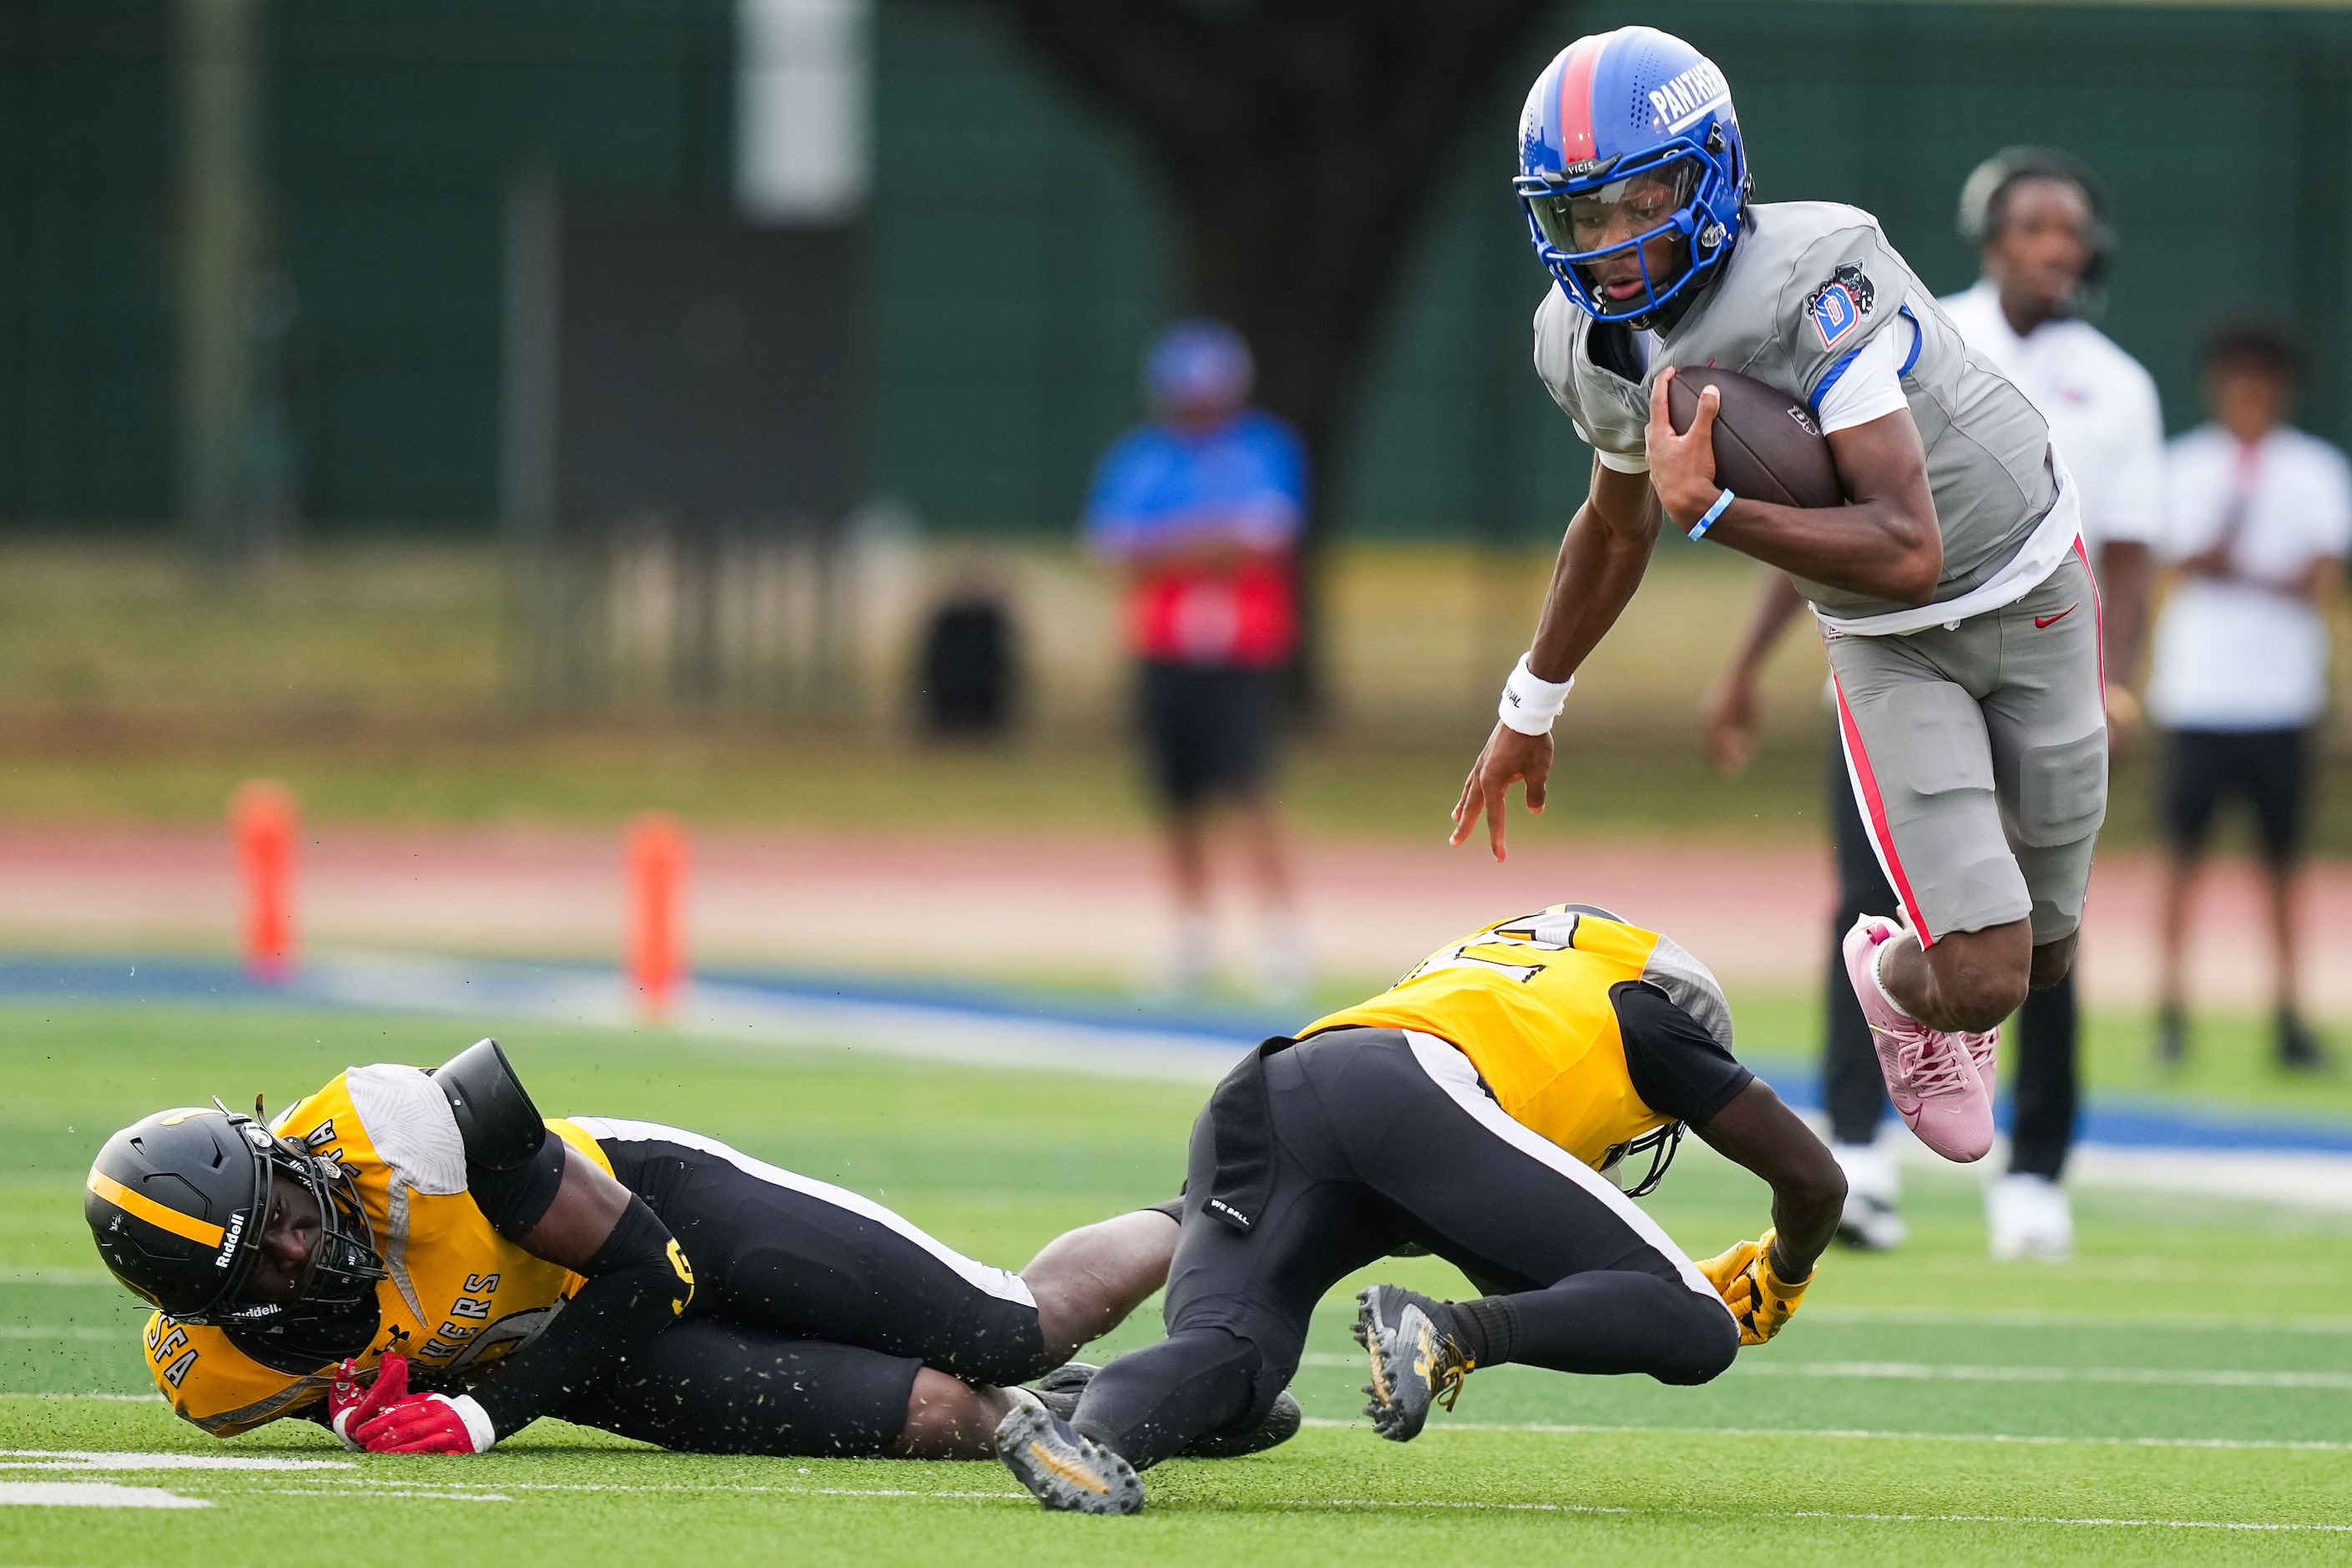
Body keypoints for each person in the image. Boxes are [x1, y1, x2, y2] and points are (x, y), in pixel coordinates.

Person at [1452, 26, 2108, 1169]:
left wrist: (1713, 513)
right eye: (1576, 216)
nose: (1604, 246)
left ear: (1705, 176)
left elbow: (1908, 539)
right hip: (1886, 639)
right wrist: (1529, 703)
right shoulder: (1586, 341)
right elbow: (1616, 522)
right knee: (1988, 971)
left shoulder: (1817, 274)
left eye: (1629, 203)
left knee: (2046, 958)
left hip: (2028, 580)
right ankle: (1902, 975)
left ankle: (1896, 980)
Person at [990, 901, 1844, 1514]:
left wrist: (1629, 1299)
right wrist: (1781, 1269)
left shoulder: (1495, 983)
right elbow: (1815, 1181)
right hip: (1411, 1095)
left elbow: (1529, 1272)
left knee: (1237, 1366)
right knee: (1697, 1328)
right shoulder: (1642, 1011)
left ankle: (1085, 1438)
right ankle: (1449, 1336)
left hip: (1270, 1089)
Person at [1704, 149, 2163, 1262]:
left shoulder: (2119, 383)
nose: (2056, 248)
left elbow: (2136, 554)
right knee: (1868, 905)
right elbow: (1822, 512)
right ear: (1989, 237)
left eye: (2071, 231)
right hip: (1888, 656)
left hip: (2042, 660)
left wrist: (2119, 678)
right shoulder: (1900, 326)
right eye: (2033, 228)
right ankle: (1860, 1149)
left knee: (2041, 926)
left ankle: (2037, 1171)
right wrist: (1744, 666)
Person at [86, 1039, 1297, 1460]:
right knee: (936, 1414)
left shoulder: (404, 1130)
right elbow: (339, 1379)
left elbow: (650, 1268)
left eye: (291, 1214)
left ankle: (1239, 1205)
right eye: (266, 1271)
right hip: (582, 1354)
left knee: (1006, 1330)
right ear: (208, 1304)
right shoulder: (217, 1377)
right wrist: (362, 1403)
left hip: (644, 1214)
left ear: (283, 1155)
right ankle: (1141, 1409)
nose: (303, 1253)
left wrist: (483, 1416)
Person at [1083, 320, 1310, 1001]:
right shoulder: (1142, 457)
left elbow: (1268, 538)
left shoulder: (1265, 448)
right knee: (1174, 794)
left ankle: (1277, 935)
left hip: (1244, 648)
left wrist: (1168, 546)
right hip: (1164, 647)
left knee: (1249, 787)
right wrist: (1208, 539)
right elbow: (1114, 549)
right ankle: (1192, 930)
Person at [2149, 317, 2350, 1070]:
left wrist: (2232, 567)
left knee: (2283, 863)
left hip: (2278, 698)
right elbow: (2175, 560)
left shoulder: (2314, 471)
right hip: (2198, 694)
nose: (2249, 397)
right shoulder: (2182, 467)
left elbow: (2317, 575)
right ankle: (2170, 1010)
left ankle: (2289, 1013)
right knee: (2181, 858)